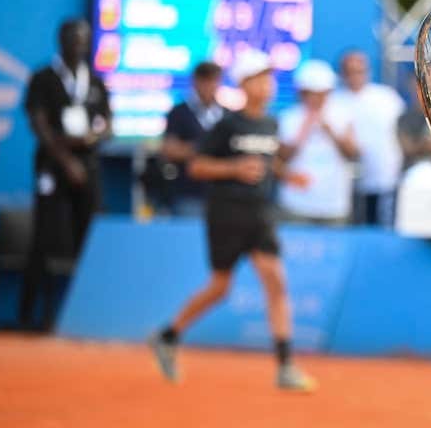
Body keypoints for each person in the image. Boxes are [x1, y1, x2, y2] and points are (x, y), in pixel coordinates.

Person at [148, 51, 317, 392]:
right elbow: (196, 167)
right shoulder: (226, 124)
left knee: (275, 280)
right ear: (244, 84)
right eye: (260, 78)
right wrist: (234, 169)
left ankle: (285, 366)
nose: (268, 84)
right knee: (220, 287)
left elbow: (266, 163)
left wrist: (288, 175)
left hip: (260, 214)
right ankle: (168, 335)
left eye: (269, 78)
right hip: (226, 214)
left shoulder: (270, 124)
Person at [20, 19, 112, 330]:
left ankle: (88, 315)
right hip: (53, 167)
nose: (78, 44)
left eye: (84, 39)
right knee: (44, 237)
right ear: (60, 40)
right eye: (73, 38)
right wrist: (65, 159)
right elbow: (39, 124)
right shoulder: (43, 78)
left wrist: (91, 140)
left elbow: (107, 124)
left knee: (91, 236)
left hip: (89, 169)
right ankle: (29, 316)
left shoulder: (96, 82)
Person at [278, 59, 358, 226]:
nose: (317, 99)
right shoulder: (288, 118)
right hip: (296, 204)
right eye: (311, 93)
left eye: (322, 93)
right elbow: (281, 158)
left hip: (334, 205)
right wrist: (303, 131)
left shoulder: (343, 115)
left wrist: (330, 131)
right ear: (302, 93)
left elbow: (353, 154)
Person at [333, 50, 405, 226]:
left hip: (386, 179)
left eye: (360, 71)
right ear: (342, 74)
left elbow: (402, 133)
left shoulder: (386, 97)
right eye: (350, 72)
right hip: (345, 186)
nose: (355, 76)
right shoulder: (334, 101)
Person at [156, 61, 224, 217]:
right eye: (205, 80)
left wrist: (191, 149)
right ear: (195, 82)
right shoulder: (179, 113)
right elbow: (170, 150)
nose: (209, 86)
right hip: (188, 194)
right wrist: (207, 149)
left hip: (221, 195)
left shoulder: (227, 115)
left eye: (214, 80)